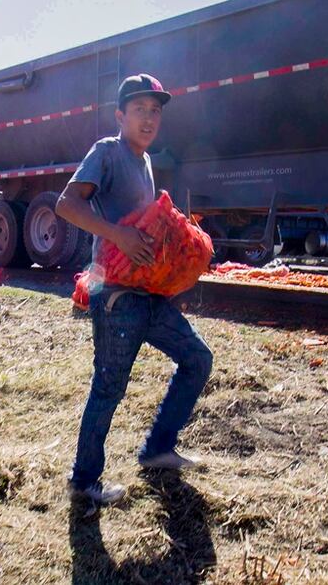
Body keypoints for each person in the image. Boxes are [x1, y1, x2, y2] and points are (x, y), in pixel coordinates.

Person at [55, 73, 213, 504]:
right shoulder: (106, 152)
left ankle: (158, 448)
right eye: (140, 110)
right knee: (109, 387)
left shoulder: (145, 161)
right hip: (117, 297)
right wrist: (116, 235)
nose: (148, 118)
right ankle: (84, 482)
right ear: (120, 115)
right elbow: (66, 205)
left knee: (198, 359)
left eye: (155, 111)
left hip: (149, 295)